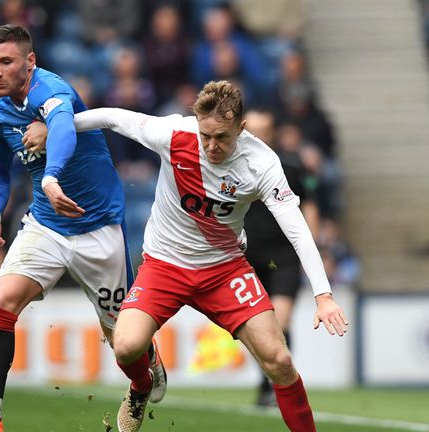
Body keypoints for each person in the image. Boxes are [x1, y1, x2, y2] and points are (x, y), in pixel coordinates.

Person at [25, 80, 347, 432]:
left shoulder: (262, 164)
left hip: (224, 270)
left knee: (280, 360)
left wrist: (324, 294)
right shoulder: (174, 133)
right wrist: (57, 126)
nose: (211, 146)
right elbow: (112, 118)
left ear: (242, 128)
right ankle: (142, 386)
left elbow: (297, 229)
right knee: (127, 347)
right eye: (205, 135)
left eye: (222, 137)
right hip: (165, 266)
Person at [0, 24, 166, 432]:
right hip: (46, 226)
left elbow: (63, 127)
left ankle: (142, 380)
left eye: (6, 62)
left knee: (124, 346)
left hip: (98, 229)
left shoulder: (53, 91)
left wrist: (50, 177)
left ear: (30, 62)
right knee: (2, 300)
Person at [241, 108, 319, 407]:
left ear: (272, 133)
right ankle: (267, 382)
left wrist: (313, 249)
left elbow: (309, 206)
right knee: (258, 327)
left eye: (263, 129)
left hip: (283, 255)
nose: (257, 135)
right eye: (252, 129)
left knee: (280, 319)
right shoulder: (231, 165)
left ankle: (274, 385)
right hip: (247, 258)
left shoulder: (291, 166)